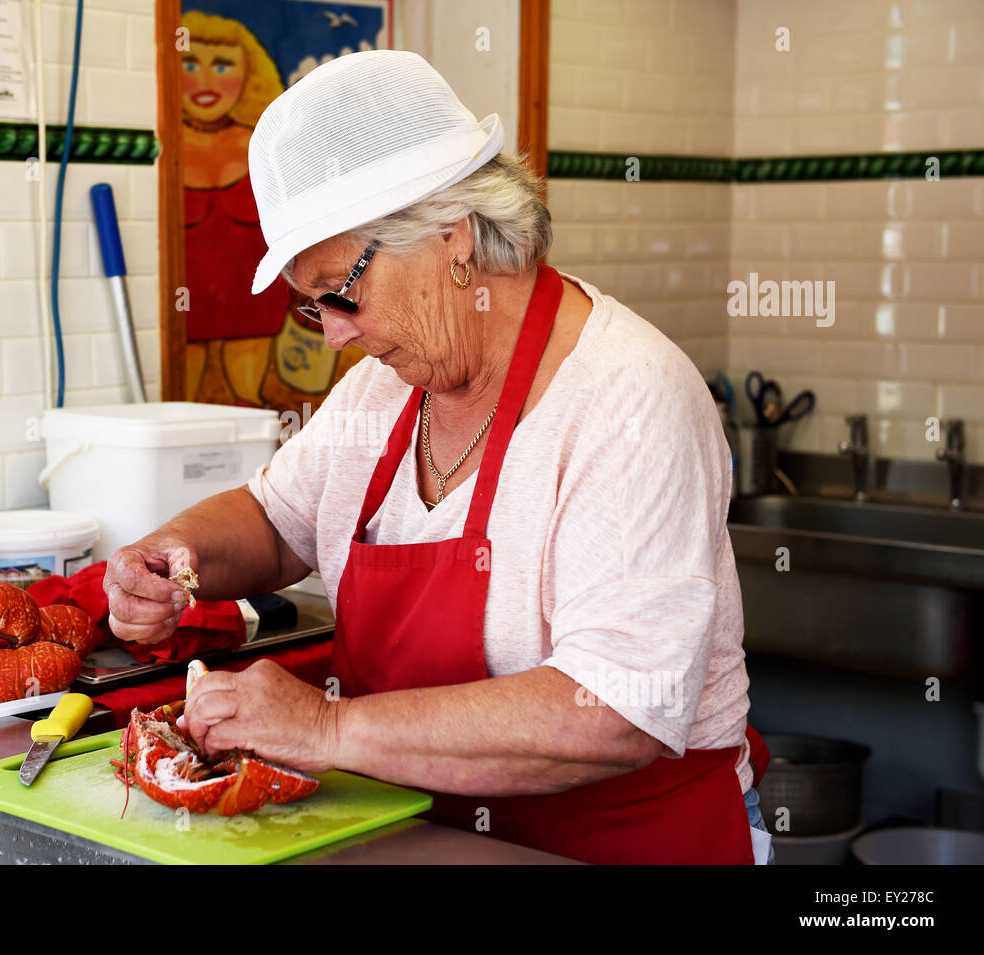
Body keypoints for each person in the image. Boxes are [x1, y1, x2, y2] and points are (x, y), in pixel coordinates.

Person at [105, 49, 772, 864]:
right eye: (311, 306)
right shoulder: (382, 392)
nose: (336, 330)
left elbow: (613, 713)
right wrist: (173, 555)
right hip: (431, 836)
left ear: (452, 236)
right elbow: (279, 523)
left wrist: (326, 726)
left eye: (340, 289)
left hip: (627, 844)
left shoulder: (630, 397)